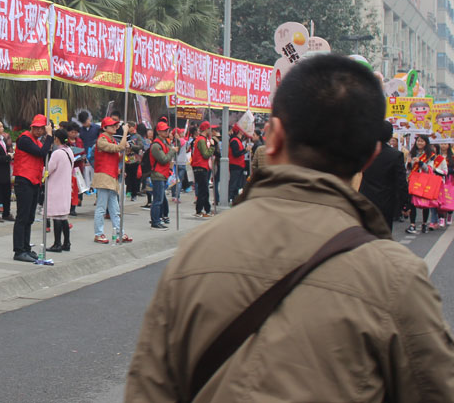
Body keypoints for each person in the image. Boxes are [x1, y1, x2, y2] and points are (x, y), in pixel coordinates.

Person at [125, 54, 454, 401]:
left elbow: (148, 391)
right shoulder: (397, 278)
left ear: (273, 136)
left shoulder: (194, 252)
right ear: (371, 155)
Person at [12, 115, 52, 263]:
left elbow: (45, 153)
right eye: (37, 127)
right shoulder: (24, 139)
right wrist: (49, 136)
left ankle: (26, 248)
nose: (39, 130)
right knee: (22, 217)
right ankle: (19, 250)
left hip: (34, 181)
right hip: (24, 181)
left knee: (29, 217)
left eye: (42, 128)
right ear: (32, 126)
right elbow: (42, 153)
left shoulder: (36, 141)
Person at [358, 121, 407, 231]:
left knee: (366, 231)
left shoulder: (364, 152)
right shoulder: (396, 155)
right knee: (384, 233)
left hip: (365, 197)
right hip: (387, 201)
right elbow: (401, 182)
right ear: (390, 136)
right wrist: (405, 203)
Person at [92, 117, 131, 244]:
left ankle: (120, 231)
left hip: (111, 176)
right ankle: (98, 233)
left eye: (116, 125)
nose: (115, 127)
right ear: (104, 128)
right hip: (104, 175)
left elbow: (117, 155)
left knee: (115, 208)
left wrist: (126, 148)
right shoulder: (102, 140)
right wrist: (125, 134)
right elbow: (117, 149)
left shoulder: (112, 140)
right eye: (112, 126)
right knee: (102, 207)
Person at [406, 134, 446, 235]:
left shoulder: (431, 155)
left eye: (422, 141)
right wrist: (410, 163)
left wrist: (420, 163)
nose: (419, 143)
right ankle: (412, 224)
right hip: (413, 180)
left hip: (425, 181)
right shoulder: (412, 153)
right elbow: (408, 168)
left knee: (425, 203)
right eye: (418, 141)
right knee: (412, 203)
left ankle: (424, 223)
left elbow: (430, 169)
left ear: (426, 143)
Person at [45, 129, 74, 252]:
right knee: (63, 217)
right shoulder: (69, 151)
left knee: (56, 216)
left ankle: (57, 244)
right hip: (66, 187)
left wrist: (41, 171)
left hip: (56, 187)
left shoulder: (57, 153)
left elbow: (49, 169)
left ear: (56, 139)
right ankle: (66, 243)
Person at [148, 121, 176, 230]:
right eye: (164, 130)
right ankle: (155, 221)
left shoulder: (164, 143)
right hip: (158, 174)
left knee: (160, 199)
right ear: (159, 132)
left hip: (163, 174)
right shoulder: (156, 145)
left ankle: (158, 219)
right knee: (158, 200)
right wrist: (172, 151)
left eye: (167, 130)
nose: (167, 132)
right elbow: (163, 159)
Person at [191, 121, 215, 217]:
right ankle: (200, 210)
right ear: (206, 129)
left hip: (201, 167)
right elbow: (205, 154)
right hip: (200, 166)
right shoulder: (201, 140)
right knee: (203, 190)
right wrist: (212, 147)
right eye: (210, 129)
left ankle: (206, 209)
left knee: (204, 190)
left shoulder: (201, 139)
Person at [228, 125, 248, 205]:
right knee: (234, 184)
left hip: (239, 165)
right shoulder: (234, 141)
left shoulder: (237, 140)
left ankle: (234, 199)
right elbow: (236, 154)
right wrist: (245, 150)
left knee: (237, 184)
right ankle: (230, 198)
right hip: (235, 165)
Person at [124, 122, 144, 201]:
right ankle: (128, 191)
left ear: (133, 127)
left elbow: (140, 146)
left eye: (129, 126)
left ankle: (134, 193)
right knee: (127, 177)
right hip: (126, 159)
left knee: (134, 177)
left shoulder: (137, 136)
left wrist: (132, 146)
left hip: (135, 159)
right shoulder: (126, 135)